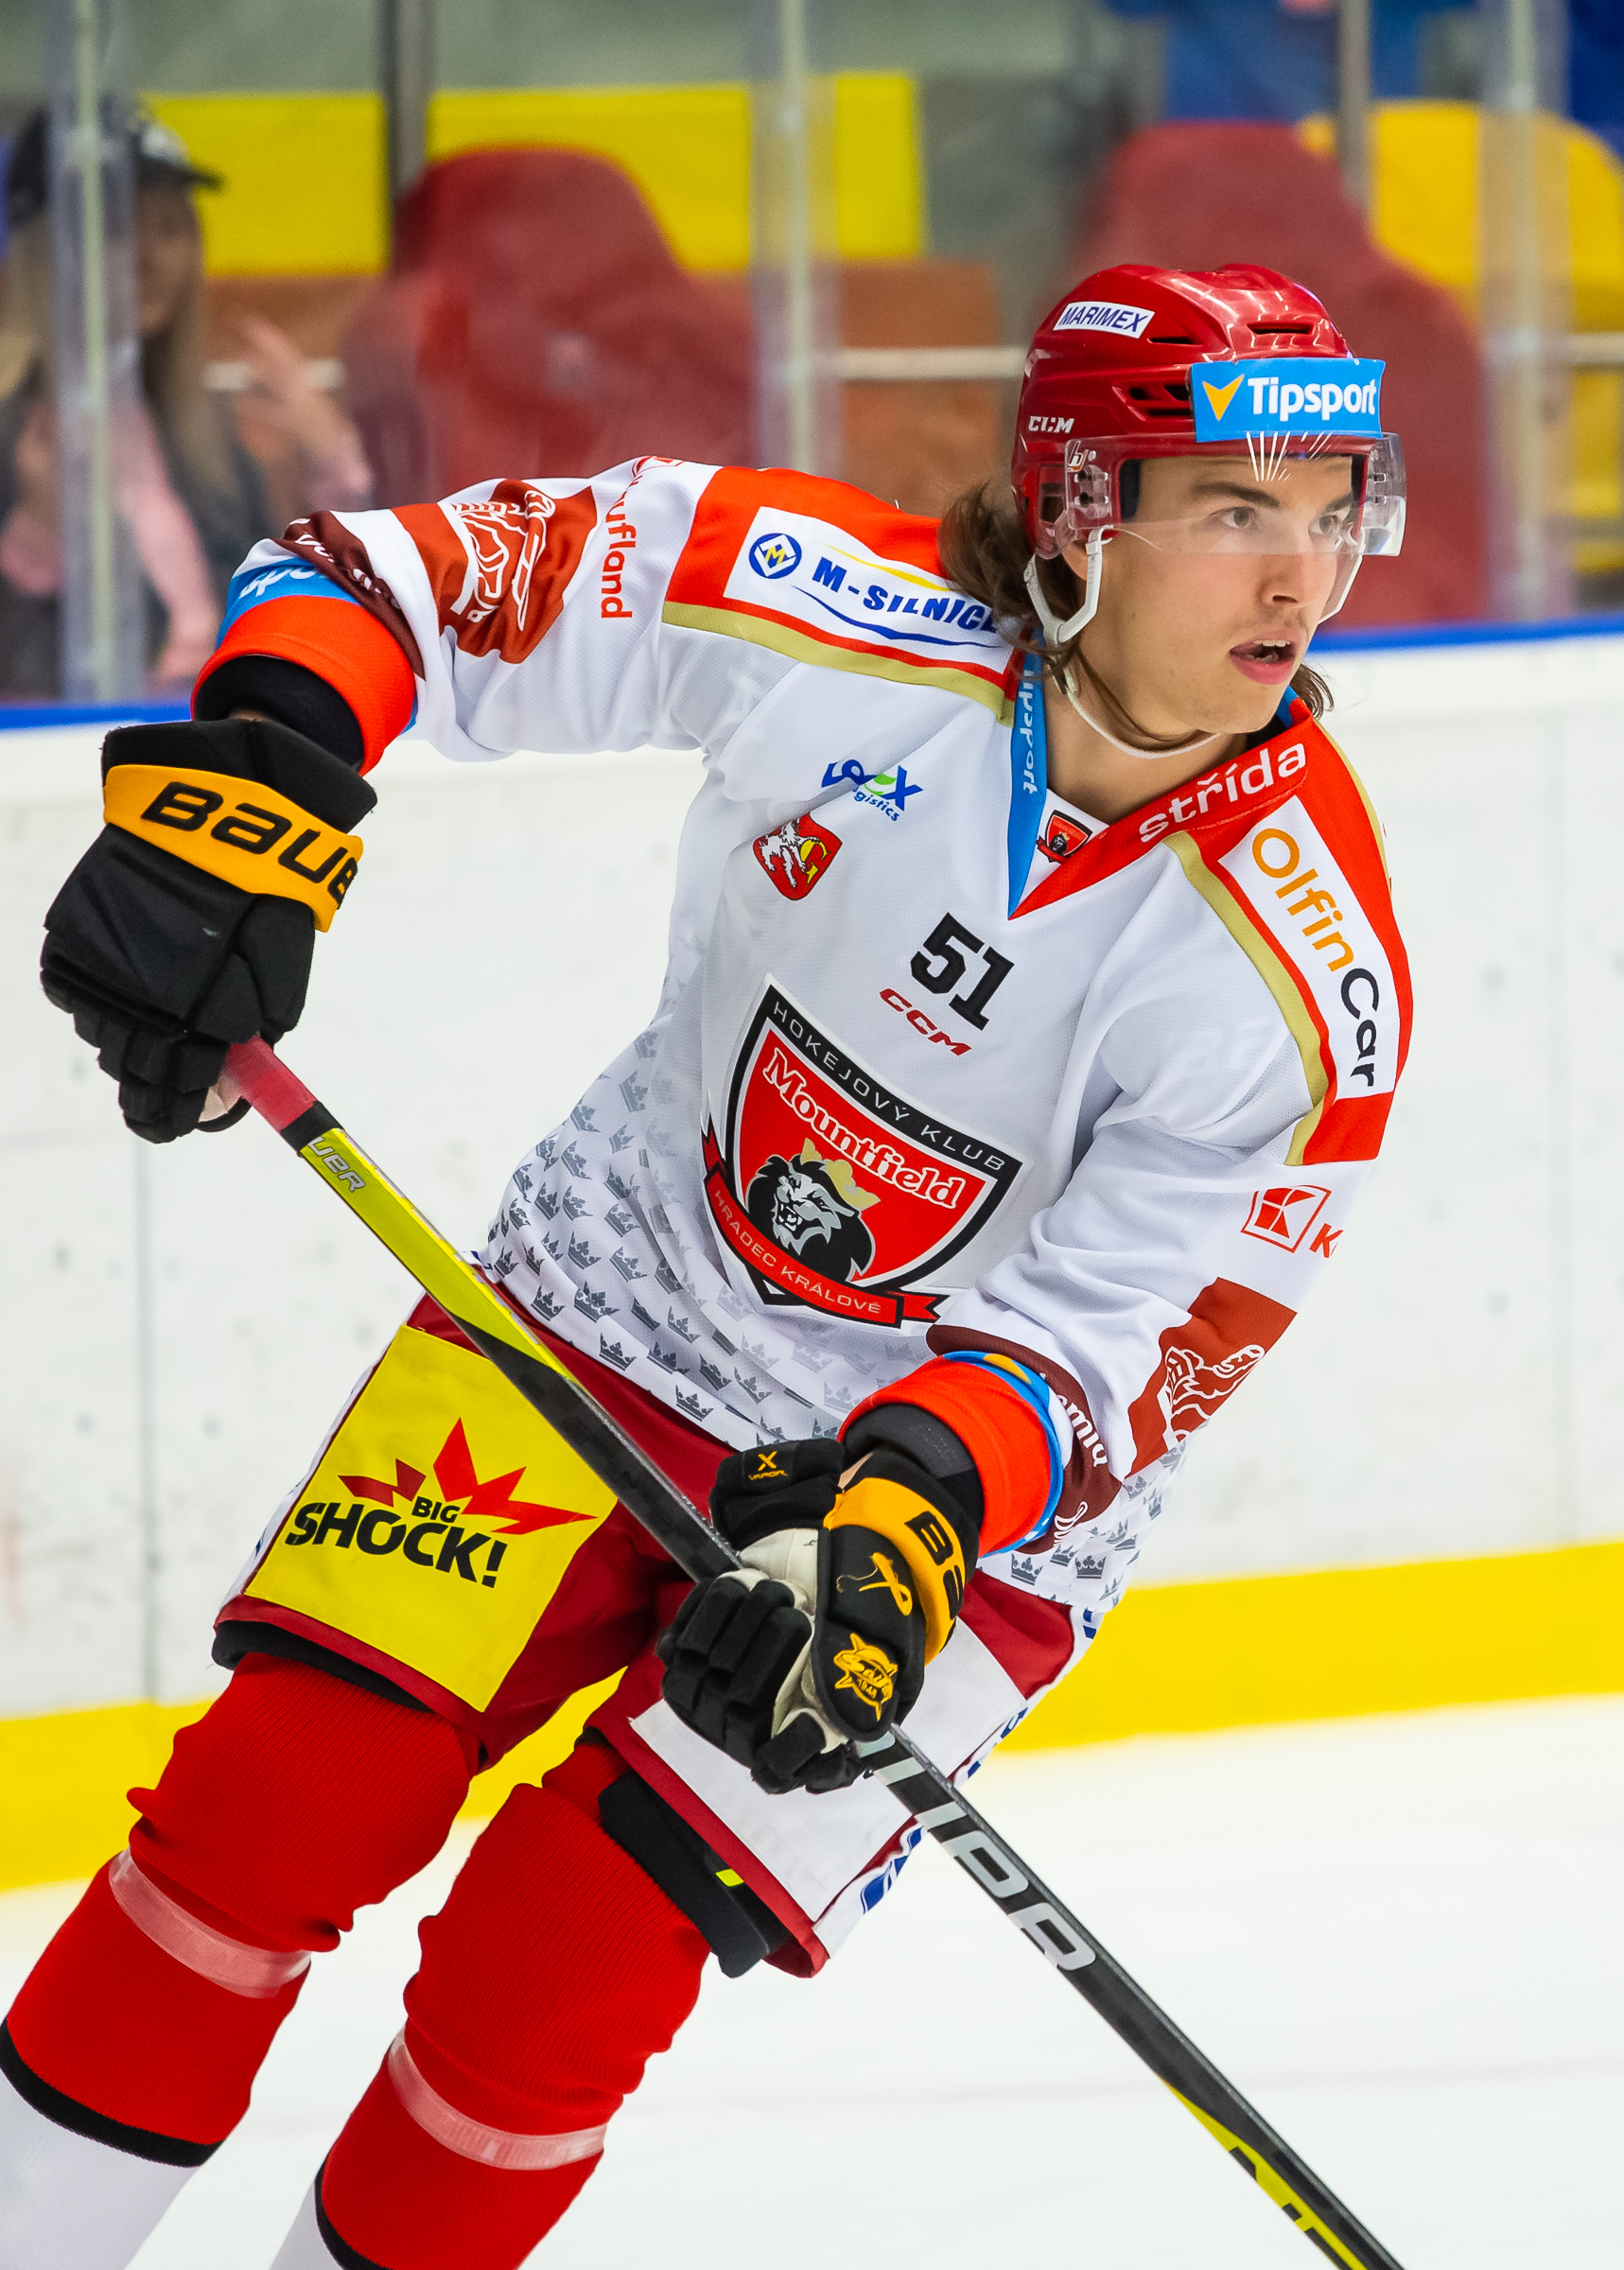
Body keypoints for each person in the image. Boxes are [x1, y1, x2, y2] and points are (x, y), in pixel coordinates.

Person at [4, 263, 1412, 2270]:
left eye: (1337, 510)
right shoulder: (822, 605)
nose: (1303, 577)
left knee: (555, 1985)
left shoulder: (1301, 972)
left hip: (947, 1524)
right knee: (273, 1813)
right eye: (1239, 509)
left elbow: (1129, 1346)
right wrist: (255, 785)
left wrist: (901, 1523)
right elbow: (385, 582)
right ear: (1079, 508)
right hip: (607, 1311)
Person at [0, 109, 370, 698]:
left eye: (172, 228)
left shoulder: (207, 433)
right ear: (46, 252)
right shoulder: (17, 443)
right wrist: (38, 546)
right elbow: (28, 684)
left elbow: (298, 612)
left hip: (226, 718)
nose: (151, 258)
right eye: (118, 228)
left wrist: (329, 464)